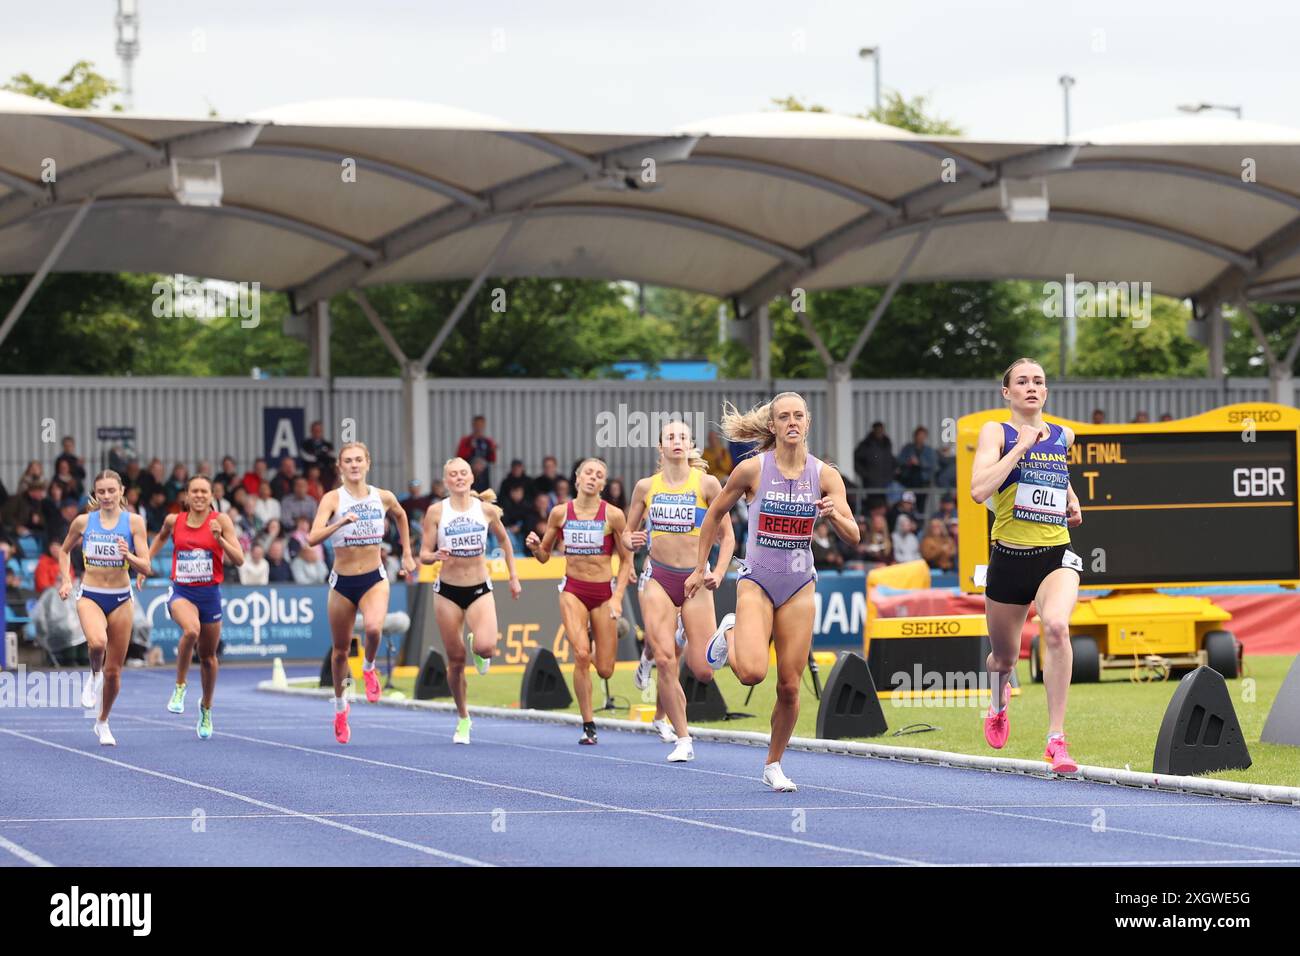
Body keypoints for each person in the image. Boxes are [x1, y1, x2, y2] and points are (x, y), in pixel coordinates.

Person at [687, 392, 858, 791]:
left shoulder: (825, 475)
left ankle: (774, 763)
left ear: (808, 423)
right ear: (773, 426)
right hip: (758, 580)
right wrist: (703, 567)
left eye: (799, 415)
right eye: (784, 417)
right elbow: (714, 514)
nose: (792, 422)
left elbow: (855, 534)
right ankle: (730, 631)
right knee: (750, 673)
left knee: (789, 685)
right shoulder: (752, 470)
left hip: (799, 584)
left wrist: (834, 517)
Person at [970, 357, 1084, 773]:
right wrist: (1020, 445)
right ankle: (998, 703)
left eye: (1038, 381)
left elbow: (1053, 472)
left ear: (1046, 391)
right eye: (1022, 381)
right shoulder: (994, 432)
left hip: (1055, 554)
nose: (1031, 387)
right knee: (1002, 659)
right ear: (1008, 393)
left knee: (1056, 627)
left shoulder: (1063, 435)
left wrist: (1070, 498)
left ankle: (1056, 739)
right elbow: (978, 491)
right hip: (1009, 559)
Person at [623, 422, 735, 762]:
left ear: (690, 446)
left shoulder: (707, 483)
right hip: (657, 577)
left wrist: (717, 572)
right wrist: (631, 542)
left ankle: (688, 633)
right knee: (666, 660)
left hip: (696, 580)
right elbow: (627, 535)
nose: (676, 442)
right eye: (670, 437)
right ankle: (683, 738)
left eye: (682, 438)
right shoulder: (645, 487)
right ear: (660, 447)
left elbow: (727, 536)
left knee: (703, 669)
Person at [308, 442, 415, 743]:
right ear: (340, 467)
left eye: (359, 460)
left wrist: (407, 553)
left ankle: (369, 667)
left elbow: (401, 515)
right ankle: (341, 708)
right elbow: (313, 537)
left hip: (373, 578)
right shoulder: (332, 499)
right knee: (340, 650)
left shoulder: (382, 496)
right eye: (348, 461)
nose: (354, 465)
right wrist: (340, 522)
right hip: (342, 582)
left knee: (373, 628)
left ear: (368, 463)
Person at [526, 458, 633, 745]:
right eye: (588, 472)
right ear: (577, 479)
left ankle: (598, 631)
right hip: (573, 590)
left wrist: (618, 597)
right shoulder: (560, 513)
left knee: (606, 669)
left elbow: (626, 561)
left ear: (602, 484)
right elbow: (545, 555)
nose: (593, 477)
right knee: (582, 655)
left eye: (599, 475)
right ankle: (588, 725)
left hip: (603, 595)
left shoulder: (613, 516)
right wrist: (537, 548)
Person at [420, 458, 522, 744]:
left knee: (487, 647)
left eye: (463, 473)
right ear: (446, 481)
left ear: (471, 478)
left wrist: (513, 577)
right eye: (453, 474)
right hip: (447, 592)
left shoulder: (486, 510)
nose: (459, 478)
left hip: (479, 587)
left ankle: (478, 649)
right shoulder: (436, 511)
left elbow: (505, 542)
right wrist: (435, 556)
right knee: (454, 661)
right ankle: (463, 717)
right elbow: (423, 554)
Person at [142, 476, 244, 739]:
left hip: (209, 594)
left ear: (211, 496)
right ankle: (180, 685)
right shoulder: (174, 520)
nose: (199, 495)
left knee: (209, 657)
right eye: (194, 491)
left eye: (204, 491)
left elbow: (240, 560)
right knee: (191, 631)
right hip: (182, 591)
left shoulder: (221, 521)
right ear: (186, 496)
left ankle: (206, 708)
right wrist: (145, 563)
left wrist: (220, 541)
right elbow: (160, 538)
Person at [57, 470, 151, 746]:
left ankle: (103, 721)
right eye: (102, 492)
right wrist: (66, 579)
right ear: (95, 494)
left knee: (115, 672)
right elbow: (64, 551)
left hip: (121, 598)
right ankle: (93, 675)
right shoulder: (83, 522)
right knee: (97, 643)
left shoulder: (134, 522)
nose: (107, 496)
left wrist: (128, 555)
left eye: (112, 491)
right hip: (91, 595)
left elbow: (146, 566)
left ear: (122, 491)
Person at [853, 421, 895, 511]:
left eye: (881, 430)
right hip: (872, 484)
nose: (880, 432)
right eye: (878, 430)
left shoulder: (887, 443)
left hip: (886, 484)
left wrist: (892, 473)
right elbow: (857, 461)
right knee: (873, 508)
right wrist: (866, 475)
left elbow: (890, 459)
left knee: (885, 509)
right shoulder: (866, 445)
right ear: (874, 430)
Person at [456, 415, 497, 490]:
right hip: (469, 475)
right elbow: (459, 456)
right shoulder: (466, 440)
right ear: (473, 425)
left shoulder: (488, 441)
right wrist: (470, 448)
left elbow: (492, 460)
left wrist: (492, 450)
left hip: (484, 476)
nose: (479, 427)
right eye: (477, 425)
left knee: (483, 496)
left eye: (481, 425)